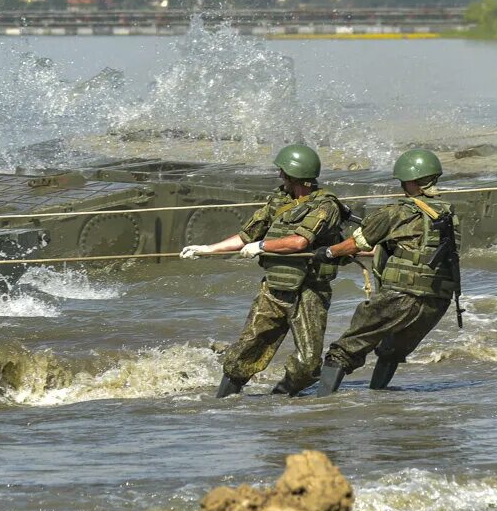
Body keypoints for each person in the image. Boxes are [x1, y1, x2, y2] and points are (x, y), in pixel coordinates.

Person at [180, 144, 347, 397]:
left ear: (294, 175)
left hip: (309, 291)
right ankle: (222, 403)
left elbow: (299, 242)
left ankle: (279, 398)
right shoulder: (278, 200)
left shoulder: (326, 206)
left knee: (308, 364)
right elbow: (246, 236)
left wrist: (262, 246)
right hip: (274, 288)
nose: (280, 177)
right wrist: (208, 249)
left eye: (283, 173)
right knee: (245, 352)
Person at [313, 149, 461, 396]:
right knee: (392, 350)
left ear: (410, 181)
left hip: (401, 295)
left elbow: (356, 243)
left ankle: (320, 407)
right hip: (438, 299)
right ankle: (379, 402)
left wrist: (327, 253)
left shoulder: (397, 211)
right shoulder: (448, 214)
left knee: (344, 350)